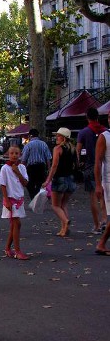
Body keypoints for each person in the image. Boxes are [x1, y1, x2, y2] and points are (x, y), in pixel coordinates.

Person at [76, 107, 107, 232]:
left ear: (87, 117)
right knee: (104, 196)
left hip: (90, 166)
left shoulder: (83, 132)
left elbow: (78, 151)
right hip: (105, 165)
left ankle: (97, 225)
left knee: (93, 196)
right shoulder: (106, 131)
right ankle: (105, 219)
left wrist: (78, 164)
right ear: (98, 117)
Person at [42, 128, 77, 237]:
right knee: (63, 204)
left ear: (64, 138)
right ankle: (64, 229)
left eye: (58, 136)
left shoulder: (57, 149)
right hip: (70, 178)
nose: (56, 137)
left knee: (55, 205)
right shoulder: (73, 149)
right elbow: (77, 163)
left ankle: (65, 221)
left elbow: (54, 166)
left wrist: (48, 180)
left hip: (59, 178)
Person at [0, 146, 29, 260]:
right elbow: (3, 185)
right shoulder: (5, 168)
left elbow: (25, 183)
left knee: (16, 225)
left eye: (16, 153)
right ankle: (17, 251)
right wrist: (6, 200)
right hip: (10, 200)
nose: (14, 155)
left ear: (20, 154)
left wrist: (17, 172)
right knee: (16, 224)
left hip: (19, 199)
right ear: (8, 154)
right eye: (12, 153)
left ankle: (7, 248)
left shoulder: (22, 167)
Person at [21, 128, 52, 199]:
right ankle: (37, 195)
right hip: (41, 167)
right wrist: (49, 169)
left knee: (30, 184)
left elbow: (24, 159)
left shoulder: (28, 145)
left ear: (30, 136)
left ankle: (33, 197)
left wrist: (22, 169)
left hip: (31, 167)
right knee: (40, 183)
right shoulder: (44, 144)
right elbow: (48, 158)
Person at [94, 124, 110, 254]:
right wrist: (98, 184)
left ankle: (102, 243)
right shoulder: (104, 137)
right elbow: (98, 162)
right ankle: (101, 243)